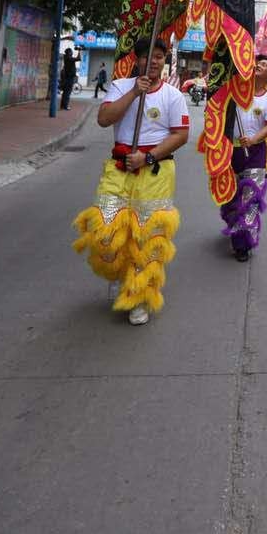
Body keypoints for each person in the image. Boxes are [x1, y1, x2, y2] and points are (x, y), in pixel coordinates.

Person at [72, 36, 190, 325]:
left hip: (155, 173)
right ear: (137, 59)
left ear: (165, 61)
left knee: (147, 239)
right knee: (107, 232)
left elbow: (180, 135)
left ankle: (140, 297)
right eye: (148, 57)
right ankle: (119, 275)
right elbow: (104, 119)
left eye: (159, 57)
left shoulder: (173, 96)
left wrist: (148, 157)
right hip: (118, 168)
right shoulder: (120, 86)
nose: (153, 62)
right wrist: (134, 93)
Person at [220, 54, 267, 260]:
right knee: (230, 196)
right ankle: (232, 223)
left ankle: (242, 244)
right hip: (230, 152)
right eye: (257, 62)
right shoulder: (235, 91)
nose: (258, 65)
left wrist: (253, 139)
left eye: (264, 65)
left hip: (254, 153)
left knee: (250, 199)